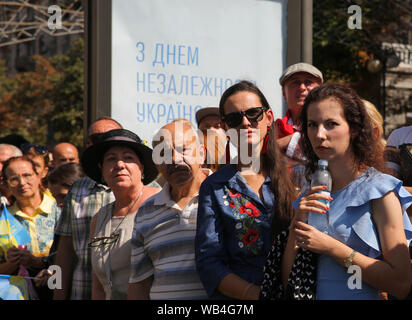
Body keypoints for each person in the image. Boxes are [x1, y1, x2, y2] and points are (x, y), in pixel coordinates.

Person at [261, 83, 412, 300]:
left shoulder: (380, 192)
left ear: (355, 128)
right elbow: (288, 282)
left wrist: (333, 248)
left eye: (331, 124)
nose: (319, 134)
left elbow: (400, 283)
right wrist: (296, 226)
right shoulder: (309, 194)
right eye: (312, 125)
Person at [195, 80, 296, 299]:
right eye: (234, 119)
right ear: (225, 128)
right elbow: (209, 262)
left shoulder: (295, 178)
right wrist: (258, 295)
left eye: (253, 113)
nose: (245, 123)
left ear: (268, 118)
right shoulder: (214, 187)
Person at [128, 119, 211, 300]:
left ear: (202, 154)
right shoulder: (145, 213)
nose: (174, 159)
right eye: (164, 153)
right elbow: (140, 284)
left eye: (183, 149)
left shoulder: (226, 198)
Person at [80, 129, 159, 300]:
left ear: (142, 167)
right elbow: (98, 287)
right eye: (111, 159)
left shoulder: (158, 204)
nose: (120, 164)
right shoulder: (99, 218)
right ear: (101, 169)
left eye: (128, 157)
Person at [53, 117, 123, 300]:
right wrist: (58, 294)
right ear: (89, 144)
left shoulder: (149, 190)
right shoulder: (77, 189)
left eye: (112, 137)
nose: (105, 142)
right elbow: (65, 250)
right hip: (82, 291)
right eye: (97, 138)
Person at [0, 155, 60, 299]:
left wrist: (38, 262)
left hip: (61, 289)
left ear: (39, 176)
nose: (22, 183)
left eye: (27, 175)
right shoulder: (4, 219)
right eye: (14, 179)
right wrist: (12, 262)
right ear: (6, 184)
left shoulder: (60, 208)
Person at [33, 162, 85, 288]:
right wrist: (50, 272)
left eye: (63, 196)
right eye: (56, 198)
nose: (59, 204)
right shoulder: (63, 222)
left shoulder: (98, 221)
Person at [275, 62, 323, 164]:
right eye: (295, 83)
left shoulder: (333, 124)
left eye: (308, 82)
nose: (302, 87)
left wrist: (290, 140)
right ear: (284, 93)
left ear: (320, 90)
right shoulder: (273, 129)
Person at [195, 107, 227, 172]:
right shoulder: (189, 165)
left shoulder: (237, 165)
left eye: (217, 126)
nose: (211, 130)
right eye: (206, 127)